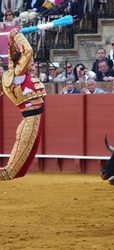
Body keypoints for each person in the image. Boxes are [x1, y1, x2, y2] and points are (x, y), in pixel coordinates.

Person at [0, 28, 46, 180]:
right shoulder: (18, 75)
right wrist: (16, 35)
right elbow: (28, 51)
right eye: (29, 62)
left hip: (31, 120)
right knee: (9, 172)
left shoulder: (11, 76)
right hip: (31, 121)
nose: (31, 64)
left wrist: (10, 41)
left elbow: (16, 55)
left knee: (13, 170)